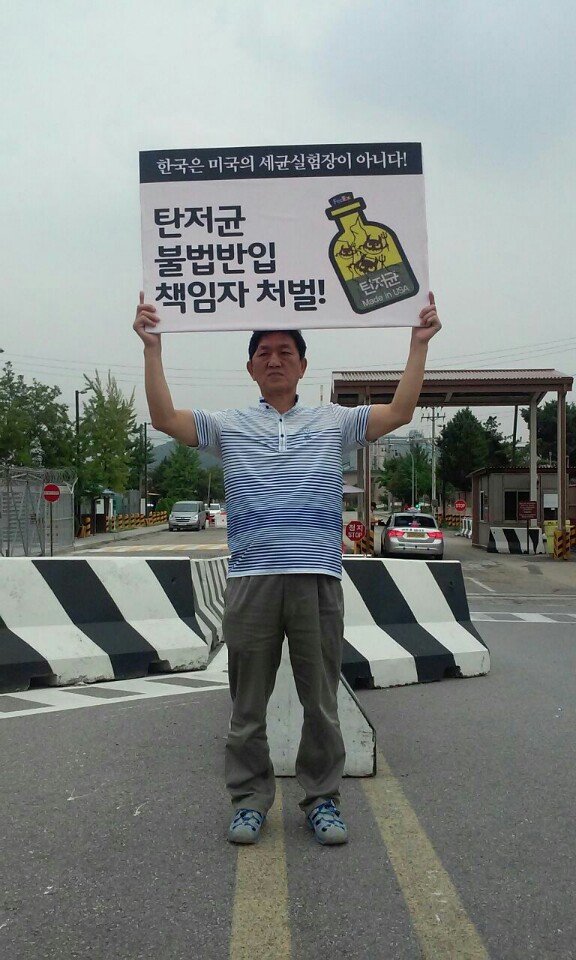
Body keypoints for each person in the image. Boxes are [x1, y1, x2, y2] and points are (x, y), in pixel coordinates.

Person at [133, 292, 441, 845]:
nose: (274, 360)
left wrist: (418, 344)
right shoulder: (227, 425)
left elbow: (399, 413)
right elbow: (163, 418)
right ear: (251, 368)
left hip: (317, 579)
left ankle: (322, 800)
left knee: (320, 702)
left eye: (285, 352)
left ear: (302, 365)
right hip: (251, 580)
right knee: (246, 705)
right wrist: (152, 349)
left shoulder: (334, 421)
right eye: (264, 353)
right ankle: (249, 800)